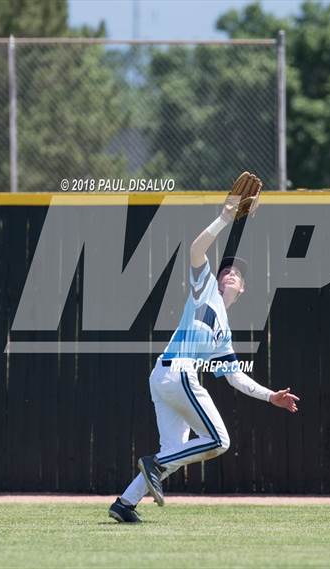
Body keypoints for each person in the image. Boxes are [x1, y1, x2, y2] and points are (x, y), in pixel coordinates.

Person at [108, 188, 300, 523]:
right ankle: (151, 465)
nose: (229, 273)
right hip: (176, 374)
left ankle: (125, 503)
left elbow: (235, 376)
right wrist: (226, 217)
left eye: (236, 274)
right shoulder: (205, 288)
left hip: (166, 379)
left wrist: (271, 397)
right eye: (226, 269)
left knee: (174, 453)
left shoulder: (223, 333)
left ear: (242, 289)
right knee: (219, 441)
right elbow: (197, 250)